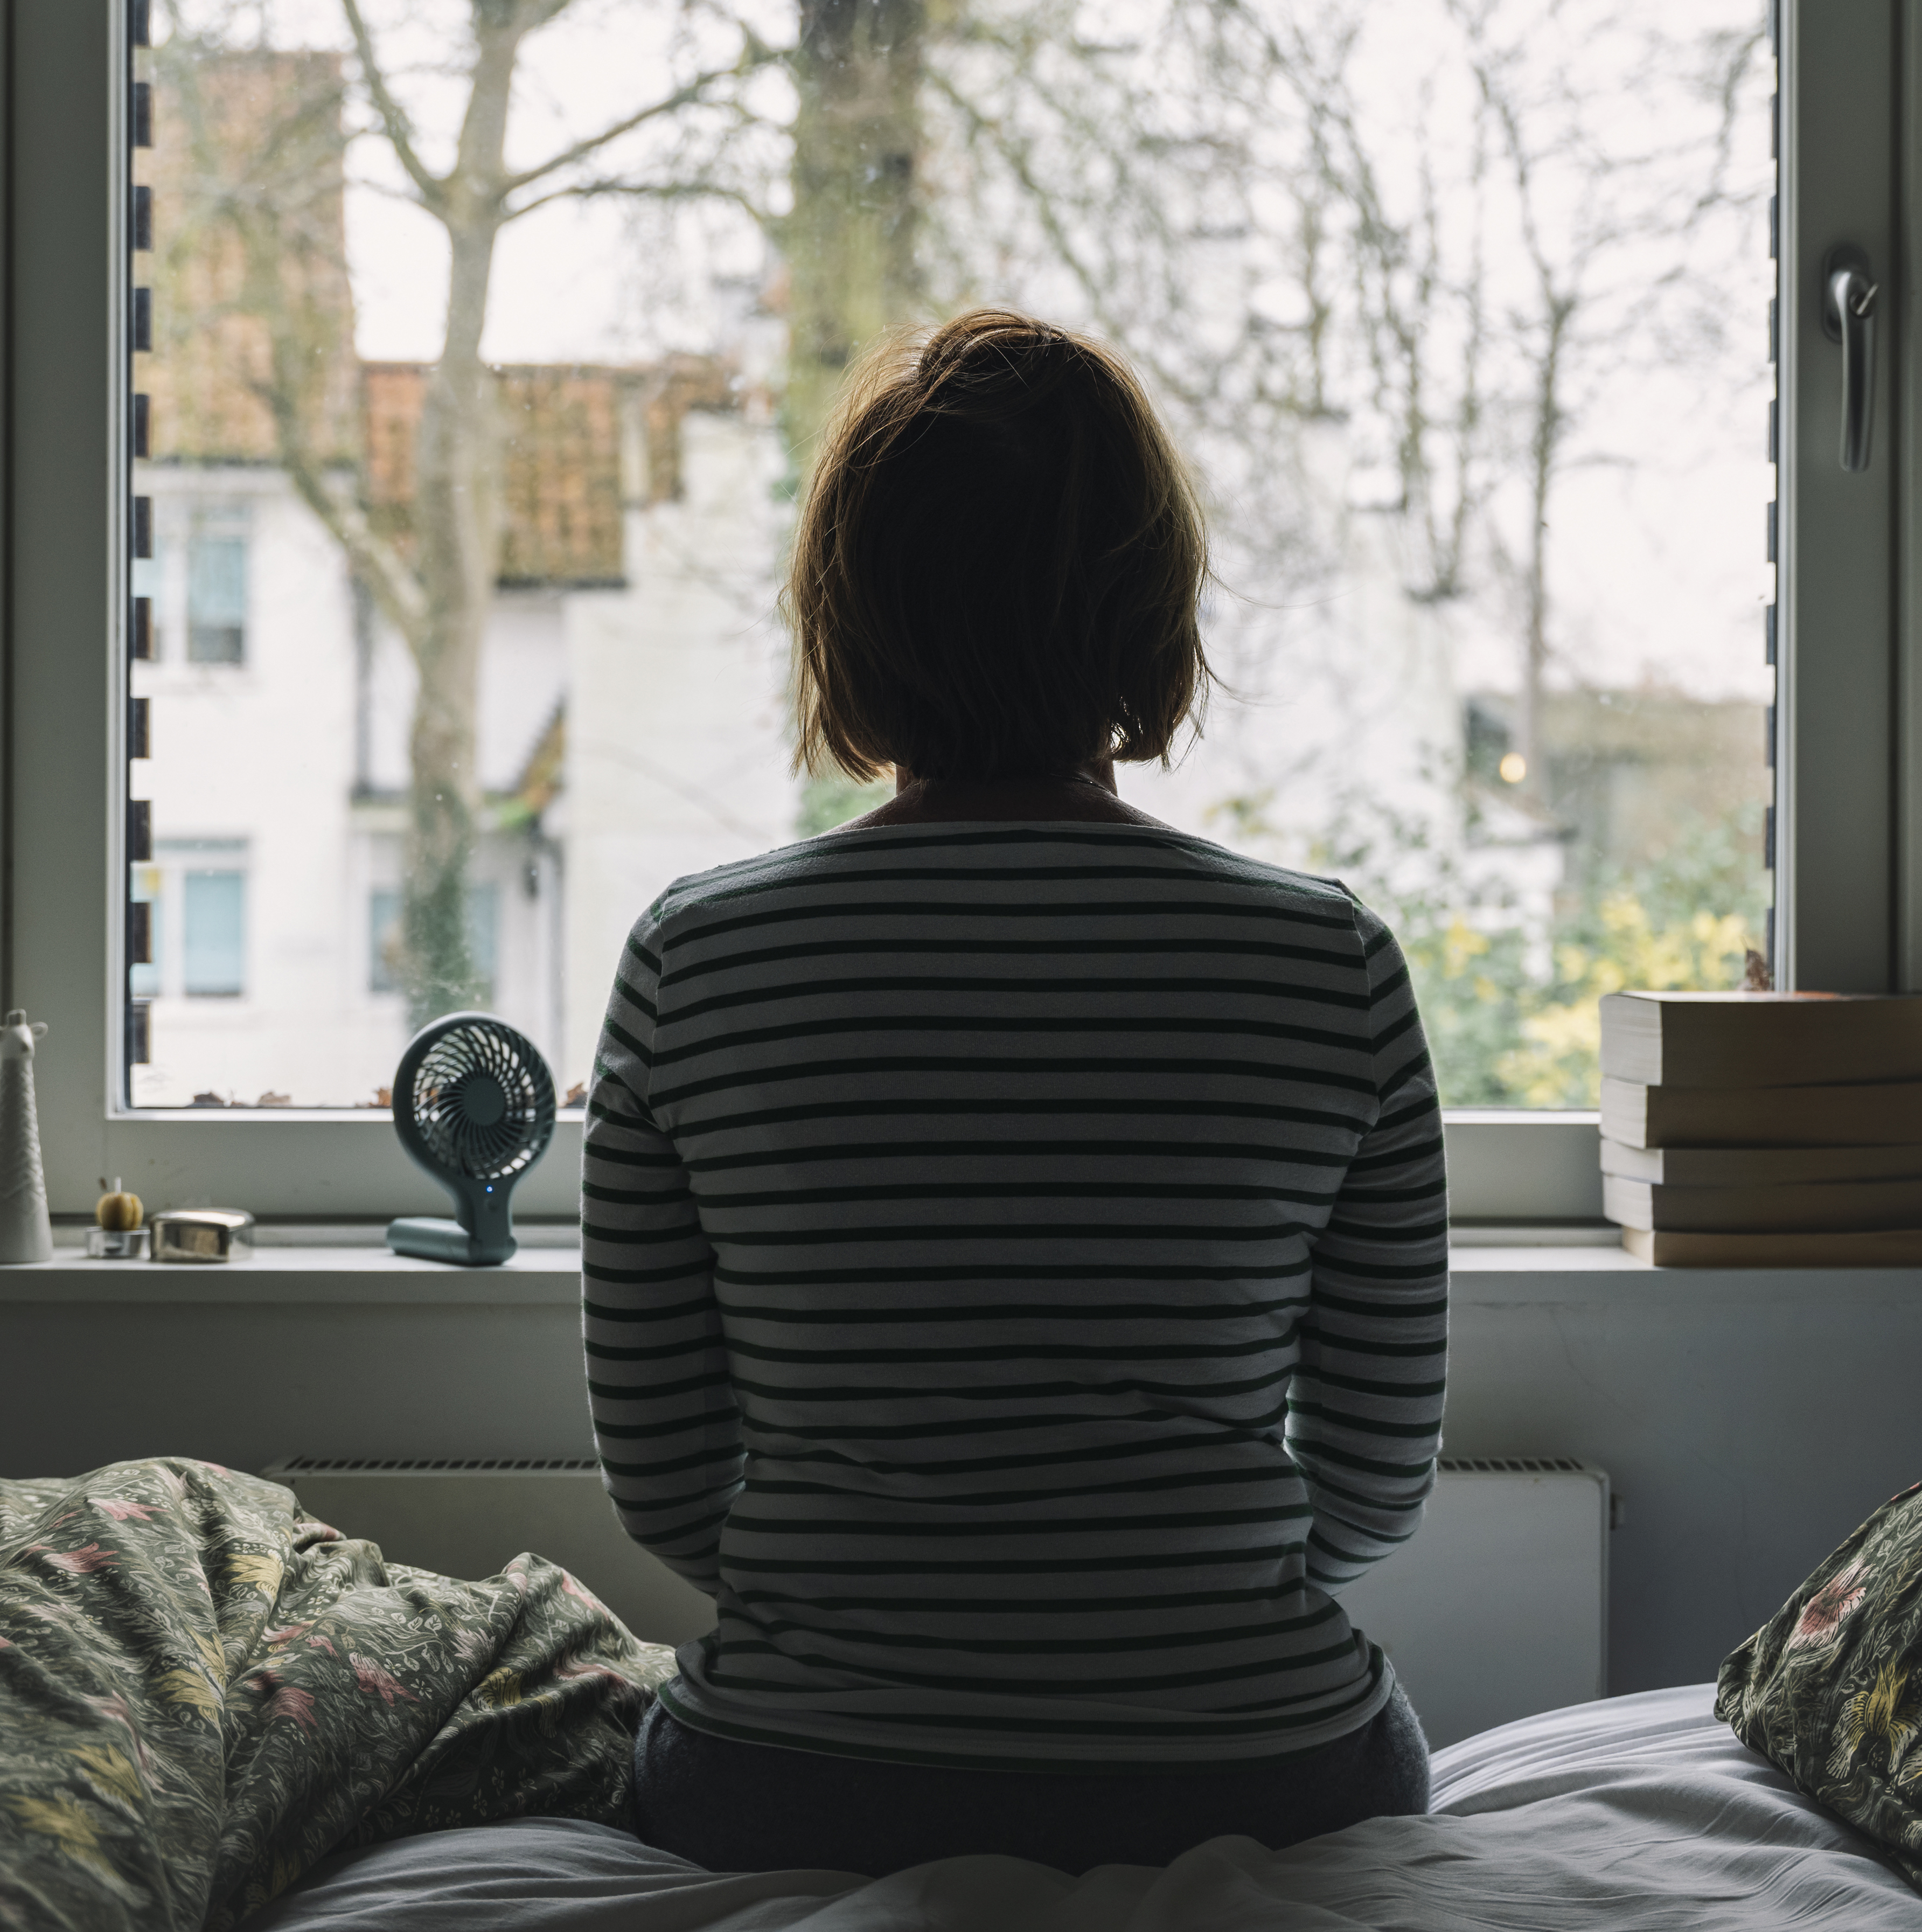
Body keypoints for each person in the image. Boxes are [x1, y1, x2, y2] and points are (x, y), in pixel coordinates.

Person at [580, 309, 1450, 1878]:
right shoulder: (1327, 965)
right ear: (1150, 609)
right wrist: (1174, 1611)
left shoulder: (695, 961)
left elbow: (663, 1481)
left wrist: (877, 1620)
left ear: (847, 618)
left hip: (796, 1779)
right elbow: (1376, 1486)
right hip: (1262, 1773)